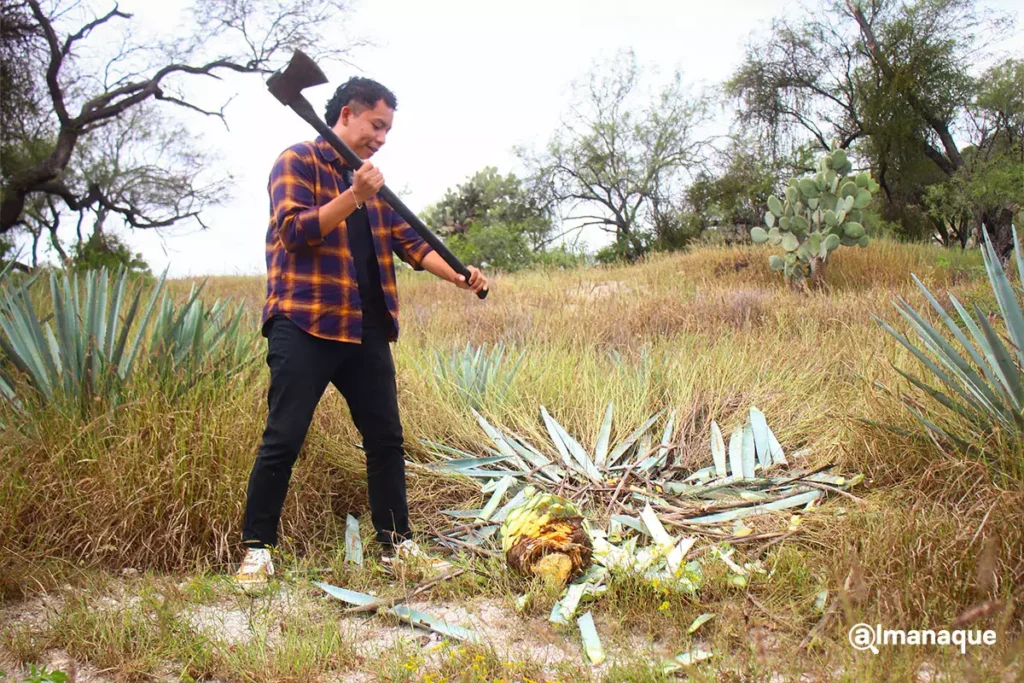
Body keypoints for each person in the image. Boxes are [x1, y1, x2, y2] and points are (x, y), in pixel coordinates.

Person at [234, 76, 488, 588]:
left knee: (386, 439)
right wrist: (353, 194)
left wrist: (460, 276)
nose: (382, 137)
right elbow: (295, 231)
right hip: (305, 321)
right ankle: (257, 550)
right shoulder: (298, 161)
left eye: (388, 129)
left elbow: (413, 244)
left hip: (366, 327)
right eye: (377, 125)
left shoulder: (371, 182)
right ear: (347, 114)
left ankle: (398, 546)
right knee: (283, 438)